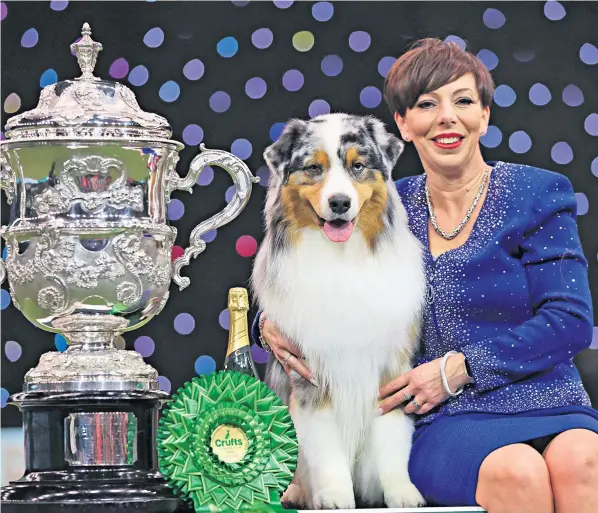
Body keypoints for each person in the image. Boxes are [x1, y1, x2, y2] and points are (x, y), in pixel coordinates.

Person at [251, 38, 598, 512]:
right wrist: (271, 326)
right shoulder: (380, 205)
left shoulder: (537, 193)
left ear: (485, 115)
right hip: (442, 415)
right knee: (518, 472)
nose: (447, 117)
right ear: (403, 125)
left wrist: (459, 368)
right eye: (426, 104)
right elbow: (309, 282)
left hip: (545, 395)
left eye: (463, 101)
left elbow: (570, 322)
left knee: (585, 463)